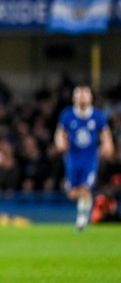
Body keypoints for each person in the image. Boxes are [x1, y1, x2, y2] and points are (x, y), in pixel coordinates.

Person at [54, 85, 115, 231]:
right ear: (74, 98)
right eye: (79, 95)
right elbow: (60, 132)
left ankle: (82, 218)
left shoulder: (98, 116)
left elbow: (105, 134)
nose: (82, 97)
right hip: (72, 158)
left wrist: (108, 145)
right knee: (72, 193)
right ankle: (83, 210)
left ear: (90, 97)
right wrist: (60, 142)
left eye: (85, 94)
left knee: (86, 188)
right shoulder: (67, 115)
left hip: (90, 158)